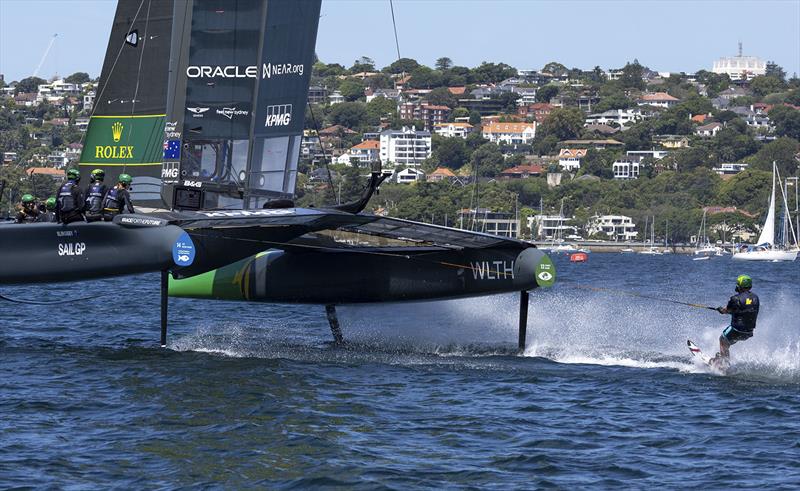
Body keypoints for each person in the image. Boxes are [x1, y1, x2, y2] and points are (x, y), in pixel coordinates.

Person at [711, 274, 759, 366]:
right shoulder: (756, 298)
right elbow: (746, 310)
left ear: (739, 285)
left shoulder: (735, 298)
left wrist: (720, 310)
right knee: (727, 344)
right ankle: (723, 358)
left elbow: (726, 310)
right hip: (748, 332)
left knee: (722, 339)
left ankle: (724, 364)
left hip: (737, 330)